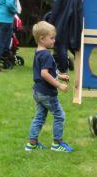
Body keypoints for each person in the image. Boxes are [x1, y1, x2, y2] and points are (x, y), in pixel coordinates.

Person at [25, 21, 74, 153]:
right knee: (60, 115)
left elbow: (48, 71)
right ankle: (57, 143)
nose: (54, 40)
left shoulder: (39, 52)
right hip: (47, 93)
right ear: (42, 38)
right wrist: (59, 85)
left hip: (37, 91)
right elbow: (45, 74)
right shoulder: (46, 54)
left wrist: (59, 75)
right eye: (51, 38)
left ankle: (32, 143)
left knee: (39, 116)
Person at [47, 0, 73, 80]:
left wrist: (50, 23)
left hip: (59, 24)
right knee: (63, 47)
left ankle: (63, 69)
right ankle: (63, 67)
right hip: (67, 24)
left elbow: (55, 11)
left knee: (59, 46)